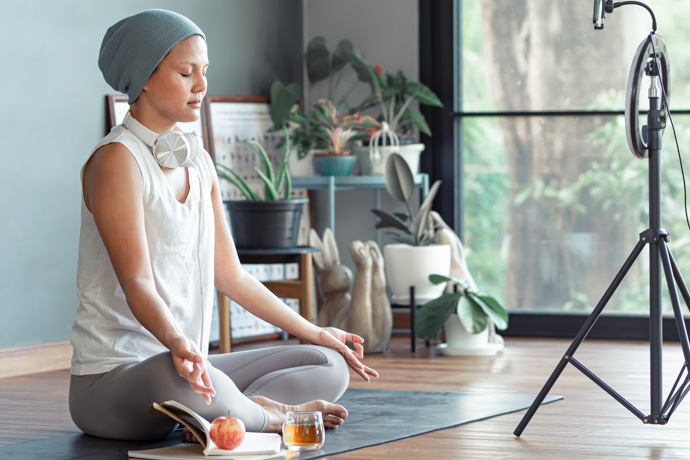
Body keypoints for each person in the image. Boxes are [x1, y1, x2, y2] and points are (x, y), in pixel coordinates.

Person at [69, 9, 378, 441]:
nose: (202, 85)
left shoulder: (198, 160)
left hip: (190, 365)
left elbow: (230, 275)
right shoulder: (118, 161)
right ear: (143, 77)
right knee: (169, 376)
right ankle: (269, 416)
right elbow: (137, 282)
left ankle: (226, 413)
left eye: (205, 71)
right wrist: (177, 344)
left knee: (328, 364)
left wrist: (317, 331)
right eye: (185, 72)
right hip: (117, 379)